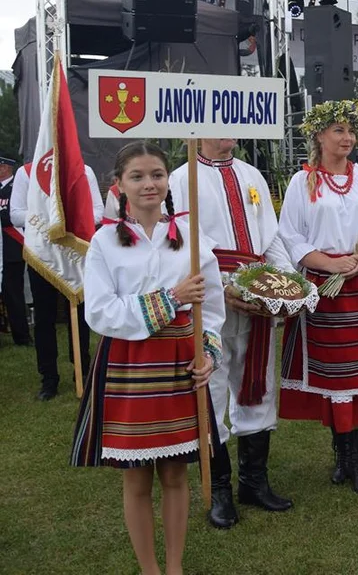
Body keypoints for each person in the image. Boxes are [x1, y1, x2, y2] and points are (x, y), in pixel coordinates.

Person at [71, 141, 224, 575]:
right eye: (137, 176)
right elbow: (99, 312)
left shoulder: (192, 239)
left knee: (176, 472)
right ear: (118, 186)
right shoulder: (104, 242)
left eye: (156, 174)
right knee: (136, 475)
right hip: (130, 365)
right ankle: (149, 569)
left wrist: (208, 352)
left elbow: (211, 308)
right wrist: (171, 298)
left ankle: (174, 567)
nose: (149, 184)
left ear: (168, 180)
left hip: (180, 364)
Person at [277, 101, 358, 495]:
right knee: (336, 373)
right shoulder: (303, 182)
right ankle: (341, 455)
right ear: (318, 135)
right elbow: (291, 235)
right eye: (338, 130)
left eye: (351, 131)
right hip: (326, 286)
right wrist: (328, 265)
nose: (347, 138)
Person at [169, 139, 294, 529]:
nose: (233, 134)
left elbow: (269, 236)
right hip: (211, 295)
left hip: (257, 294)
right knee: (213, 382)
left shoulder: (251, 173)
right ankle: (219, 486)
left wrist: (285, 282)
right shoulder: (182, 177)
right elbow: (185, 241)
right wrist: (223, 285)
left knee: (257, 380)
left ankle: (253, 481)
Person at [11, 159, 104, 400]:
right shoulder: (26, 172)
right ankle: (49, 378)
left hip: (74, 254)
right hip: (42, 255)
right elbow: (16, 214)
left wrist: (70, 223)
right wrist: (51, 223)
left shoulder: (84, 169)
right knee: (44, 318)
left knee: (80, 316)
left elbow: (97, 210)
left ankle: (82, 373)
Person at [0, 154, 31, 347]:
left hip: (12, 246)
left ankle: (21, 336)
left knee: (13, 293)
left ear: (7, 167)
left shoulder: (16, 187)